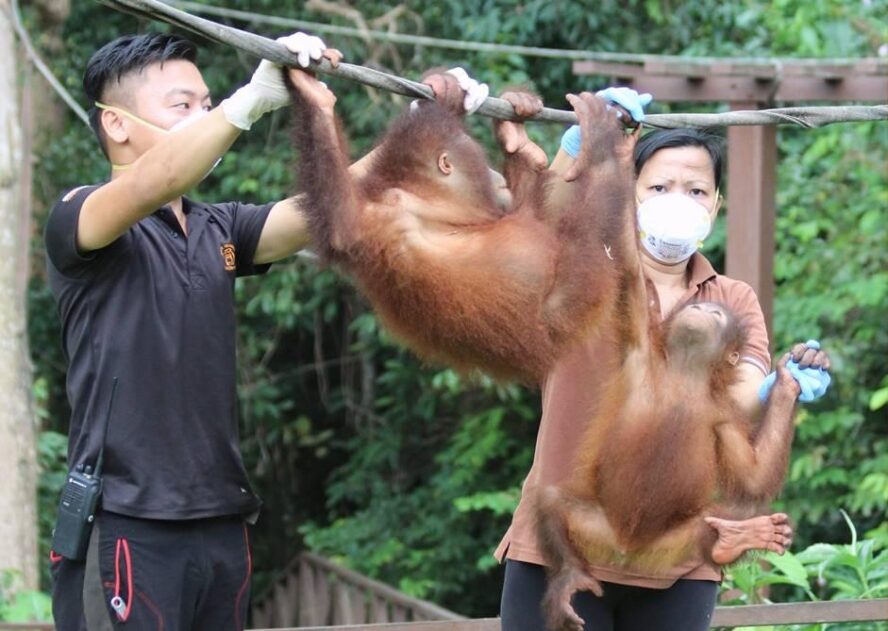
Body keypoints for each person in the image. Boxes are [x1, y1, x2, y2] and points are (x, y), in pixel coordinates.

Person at [45, 32, 341, 630]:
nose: (204, 118)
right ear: (117, 125)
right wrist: (247, 103)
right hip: (125, 521)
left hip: (221, 522)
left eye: (207, 105)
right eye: (184, 106)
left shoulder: (220, 229)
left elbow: (330, 208)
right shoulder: (83, 215)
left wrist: (425, 131)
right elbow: (150, 183)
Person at [497, 108, 831, 630]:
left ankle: (714, 537)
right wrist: (599, 158)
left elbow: (747, 429)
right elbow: (543, 231)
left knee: (708, 519)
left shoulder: (733, 297)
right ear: (634, 196)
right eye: (659, 187)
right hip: (566, 540)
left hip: (676, 559)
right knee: (551, 501)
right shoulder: (590, 275)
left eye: (697, 191)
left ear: (717, 205)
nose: (678, 201)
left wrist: (781, 390)